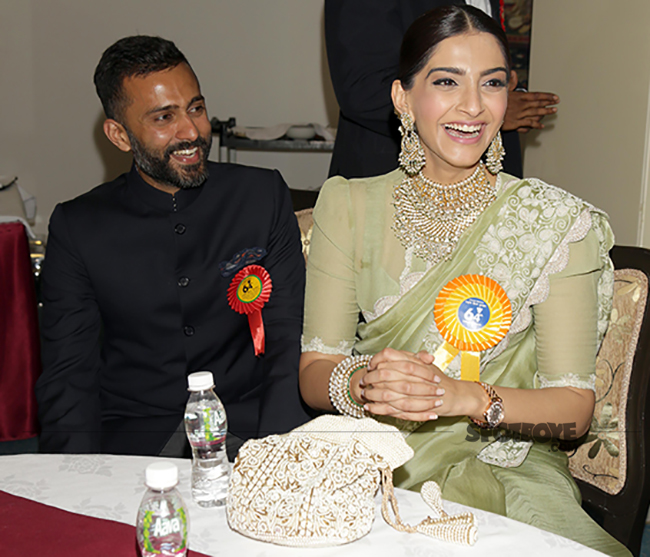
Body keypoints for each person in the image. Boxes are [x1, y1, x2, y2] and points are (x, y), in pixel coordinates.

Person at [300, 6, 629, 556]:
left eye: (492, 84)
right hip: (373, 457)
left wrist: (465, 396)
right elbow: (314, 372)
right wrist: (365, 383)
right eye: (446, 81)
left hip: (503, 466)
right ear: (403, 98)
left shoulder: (554, 222)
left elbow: (573, 412)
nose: (473, 106)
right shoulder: (348, 204)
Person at [36, 35, 310, 458]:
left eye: (196, 108)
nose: (192, 132)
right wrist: (72, 482)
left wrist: (278, 456)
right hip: (132, 442)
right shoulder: (79, 227)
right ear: (120, 135)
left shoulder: (260, 195)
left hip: (253, 429)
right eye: (164, 117)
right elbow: (70, 377)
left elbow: (287, 336)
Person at [324, 0, 559, 179]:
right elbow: (361, 87)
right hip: (394, 178)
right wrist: (483, 112)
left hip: (489, 181)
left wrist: (498, 86)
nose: (474, 105)